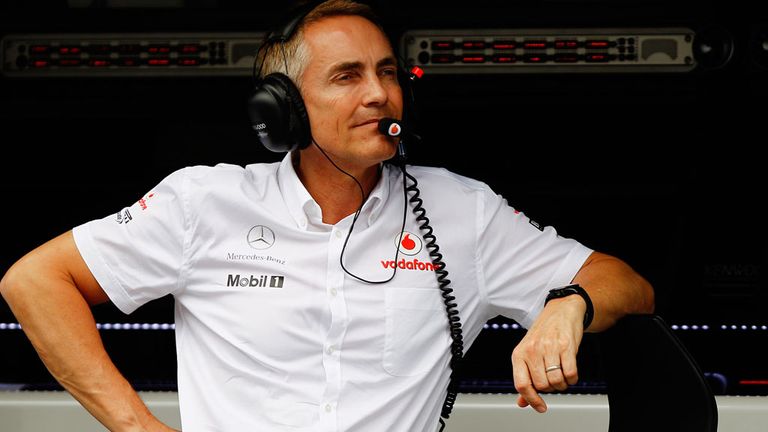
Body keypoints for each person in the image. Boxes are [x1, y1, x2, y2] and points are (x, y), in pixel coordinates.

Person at [0, 1, 654, 431]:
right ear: (282, 108)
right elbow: (34, 281)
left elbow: (629, 284)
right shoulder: (203, 202)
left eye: (388, 73)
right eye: (347, 76)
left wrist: (568, 303)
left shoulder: (463, 210)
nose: (379, 94)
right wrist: (139, 427)